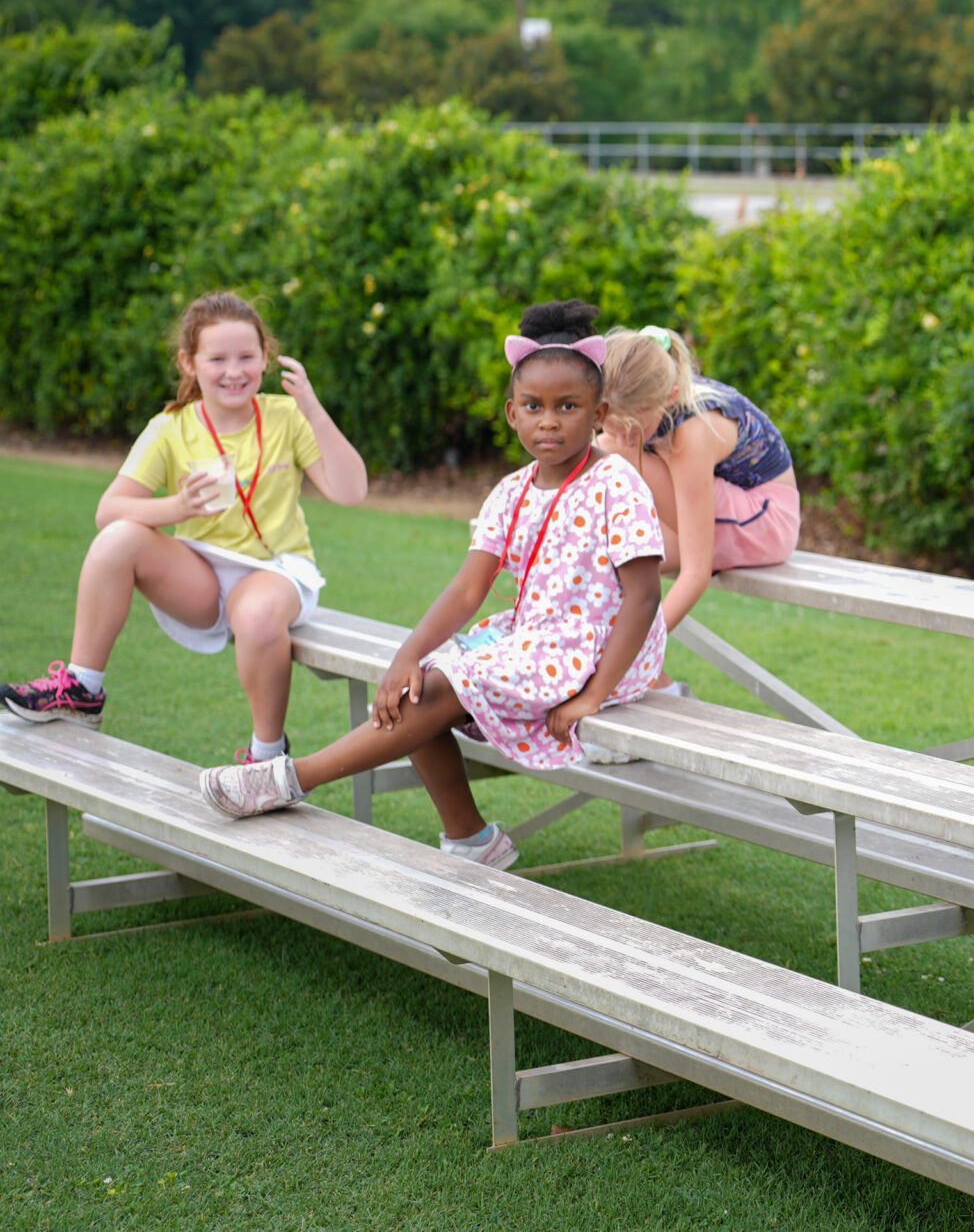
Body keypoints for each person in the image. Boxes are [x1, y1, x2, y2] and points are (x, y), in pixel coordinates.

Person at [196, 301, 667, 872]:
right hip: (535, 639)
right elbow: (468, 591)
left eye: (568, 407)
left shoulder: (616, 481)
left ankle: (290, 780)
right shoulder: (511, 491)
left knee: (446, 684)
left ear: (599, 413)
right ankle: (470, 838)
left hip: (604, 651)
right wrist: (407, 655)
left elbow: (642, 597)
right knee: (415, 685)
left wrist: (594, 695)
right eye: (534, 406)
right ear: (511, 413)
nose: (549, 421)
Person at [2, 293, 367, 761]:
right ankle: (82, 689)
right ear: (189, 362)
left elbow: (352, 491)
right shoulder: (170, 427)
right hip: (202, 572)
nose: (234, 371)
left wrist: (313, 410)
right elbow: (108, 511)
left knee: (255, 613)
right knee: (118, 540)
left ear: (265, 359)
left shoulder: (286, 416)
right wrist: (177, 506)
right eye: (217, 358)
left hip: (278, 571)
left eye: (246, 357)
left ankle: (268, 755)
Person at [596, 325, 798, 634]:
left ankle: (632, 665)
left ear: (670, 398)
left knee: (608, 453)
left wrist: (638, 649)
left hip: (765, 521)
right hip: (713, 510)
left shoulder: (692, 432)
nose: (619, 435)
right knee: (601, 559)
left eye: (632, 429)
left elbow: (696, 573)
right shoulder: (650, 401)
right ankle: (655, 682)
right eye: (607, 423)